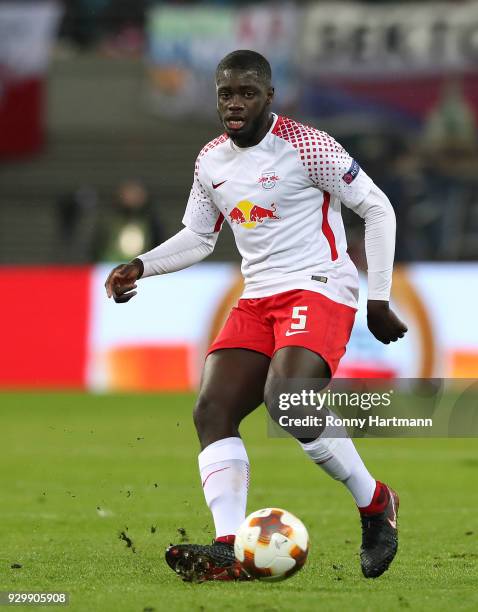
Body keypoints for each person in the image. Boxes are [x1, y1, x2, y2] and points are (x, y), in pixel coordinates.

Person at [105, 50, 407, 582]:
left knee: (286, 400)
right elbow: (200, 236)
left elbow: (377, 207)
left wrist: (377, 297)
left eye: (247, 93)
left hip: (318, 287)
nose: (235, 103)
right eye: (226, 94)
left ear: (269, 96)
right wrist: (140, 265)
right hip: (257, 296)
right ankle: (229, 547)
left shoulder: (307, 145)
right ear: (216, 97)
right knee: (212, 409)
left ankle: (375, 502)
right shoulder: (211, 160)